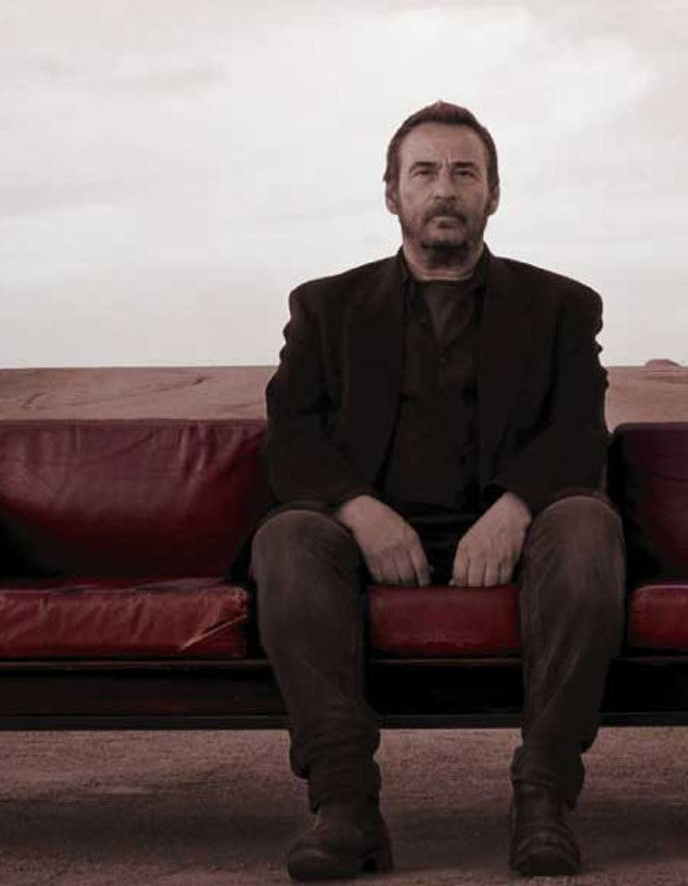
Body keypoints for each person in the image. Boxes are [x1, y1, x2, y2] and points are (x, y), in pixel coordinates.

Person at [249, 100, 625, 879]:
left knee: (587, 524)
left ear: (494, 192)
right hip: (369, 538)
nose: (445, 189)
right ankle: (346, 807)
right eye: (424, 172)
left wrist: (516, 510)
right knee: (288, 536)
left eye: (464, 172)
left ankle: (543, 797)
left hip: (517, 535)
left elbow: (580, 431)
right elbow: (291, 434)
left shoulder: (561, 306)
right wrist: (359, 511)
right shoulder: (325, 307)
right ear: (393, 193)